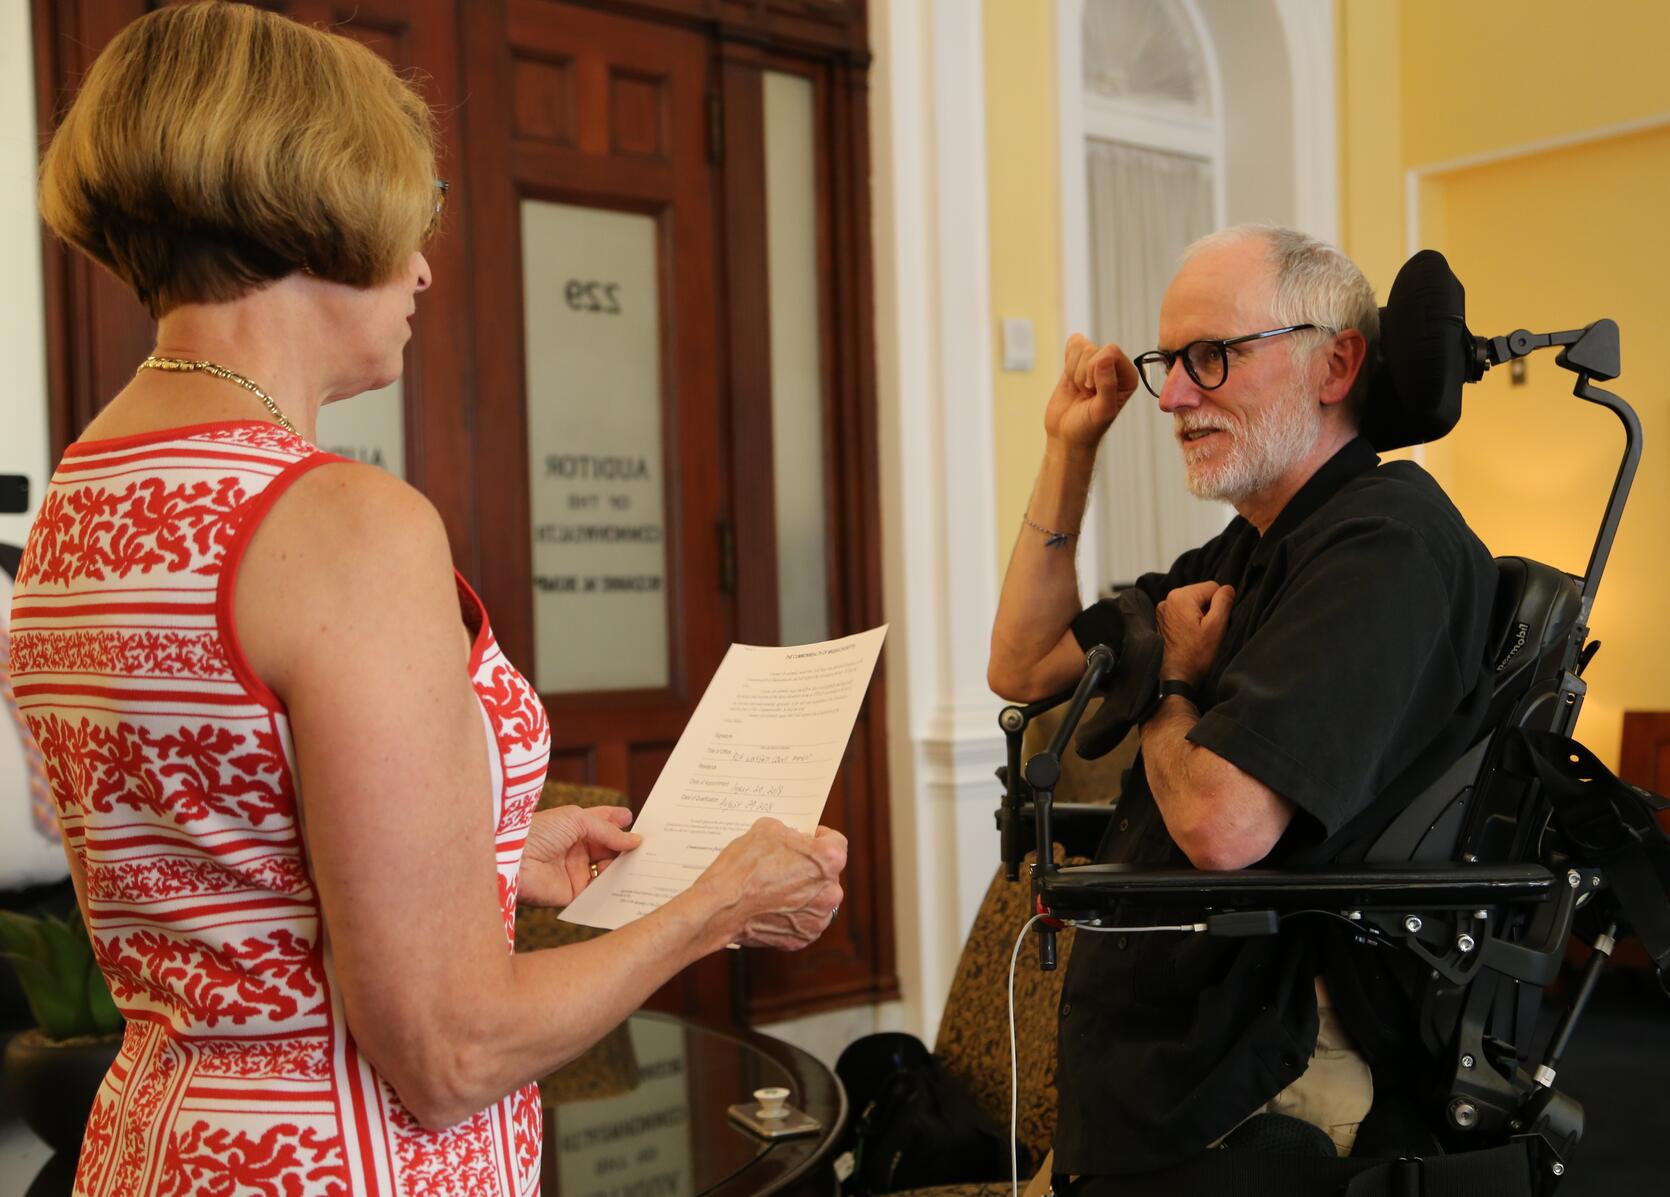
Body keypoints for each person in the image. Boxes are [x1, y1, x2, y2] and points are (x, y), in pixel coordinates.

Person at [11, 5, 846, 1194]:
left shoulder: (86, 491)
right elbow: (451, 1053)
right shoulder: (345, 524)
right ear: (311, 201)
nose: (421, 268)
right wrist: (716, 904)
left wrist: (496, 853)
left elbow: (227, 860)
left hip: (157, 1148)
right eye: (409, 220)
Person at [987, 226, 1497, 1185]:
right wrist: (1069, 445)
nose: (1174, 396)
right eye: (1169, 362)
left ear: (1337, 362)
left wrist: (1171, 682)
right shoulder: (1242, 551)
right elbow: (1024, 663)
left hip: (1266, 1067)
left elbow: (1225, 825)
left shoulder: (1387, 547)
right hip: (1174, 1048)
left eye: (1212, 357)